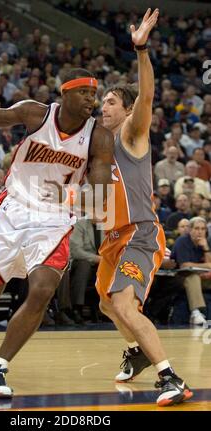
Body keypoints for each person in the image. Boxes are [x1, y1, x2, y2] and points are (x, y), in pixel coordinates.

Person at [0, 67, 113, 397]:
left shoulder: (98, 136)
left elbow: (100, 197)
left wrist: (69, 197)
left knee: (43, 289)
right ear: (65, 93)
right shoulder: (35, 113)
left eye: (94, 93)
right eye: (85, 92)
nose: (92, 99)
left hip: (55, 219)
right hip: (12, 211)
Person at [98, 9, 193, 406]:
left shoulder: (131, 134)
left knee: (123, 303)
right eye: (102, 100)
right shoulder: (99, 148)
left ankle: (171, 378)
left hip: (139, 233)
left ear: (126, 110)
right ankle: (137, 351)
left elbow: (148, 96)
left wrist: (141, 50)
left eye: (111, 101)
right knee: (106, 304)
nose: (103, 106)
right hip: (112, 238)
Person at [171, 216, 211, 325]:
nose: (200, 232)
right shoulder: (182, 241)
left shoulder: (205, 242)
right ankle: (196, 313)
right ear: (190, 230)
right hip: (178, 277)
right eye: (197, 228)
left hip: (200, 277)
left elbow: (210, 265)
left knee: (196, 277)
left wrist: (206, 248)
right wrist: (207, 265)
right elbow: (185, 265)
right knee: (193, 277)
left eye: (203, 229)